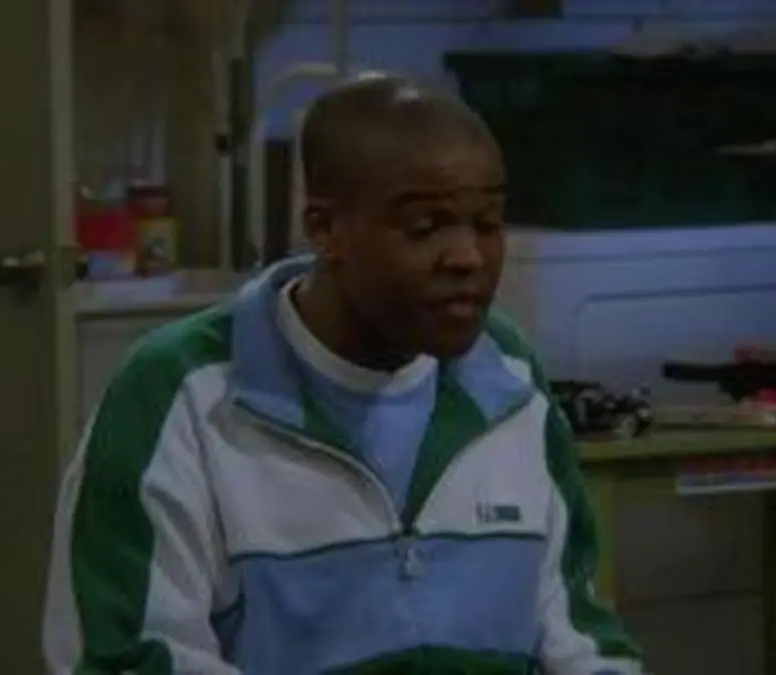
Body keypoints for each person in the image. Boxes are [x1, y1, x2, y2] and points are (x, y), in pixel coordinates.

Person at [43, 74, 644, 675]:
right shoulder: (179, 394)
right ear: (326, 229)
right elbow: (126, 659)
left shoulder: (509, 380)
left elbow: (581, 638)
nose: (468, 257)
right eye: (425, 227)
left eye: (487, 223)